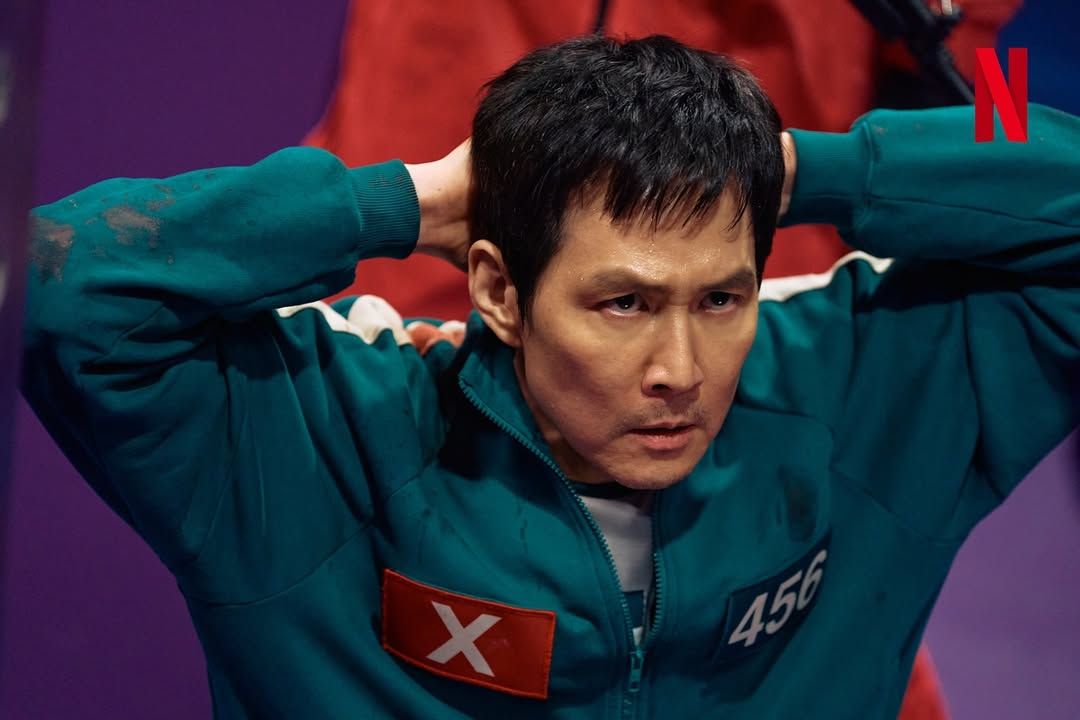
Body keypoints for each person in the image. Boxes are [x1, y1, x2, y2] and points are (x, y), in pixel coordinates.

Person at [21, 35, 1078, 719]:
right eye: (627, 311)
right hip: (445, 263)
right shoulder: (319, 441)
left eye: (717, 308)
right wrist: (402, 203)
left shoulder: (857, 395)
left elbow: (1006, 95)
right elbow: (55, 283)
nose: (677, 373)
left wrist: (805, 169)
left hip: (735, 207)